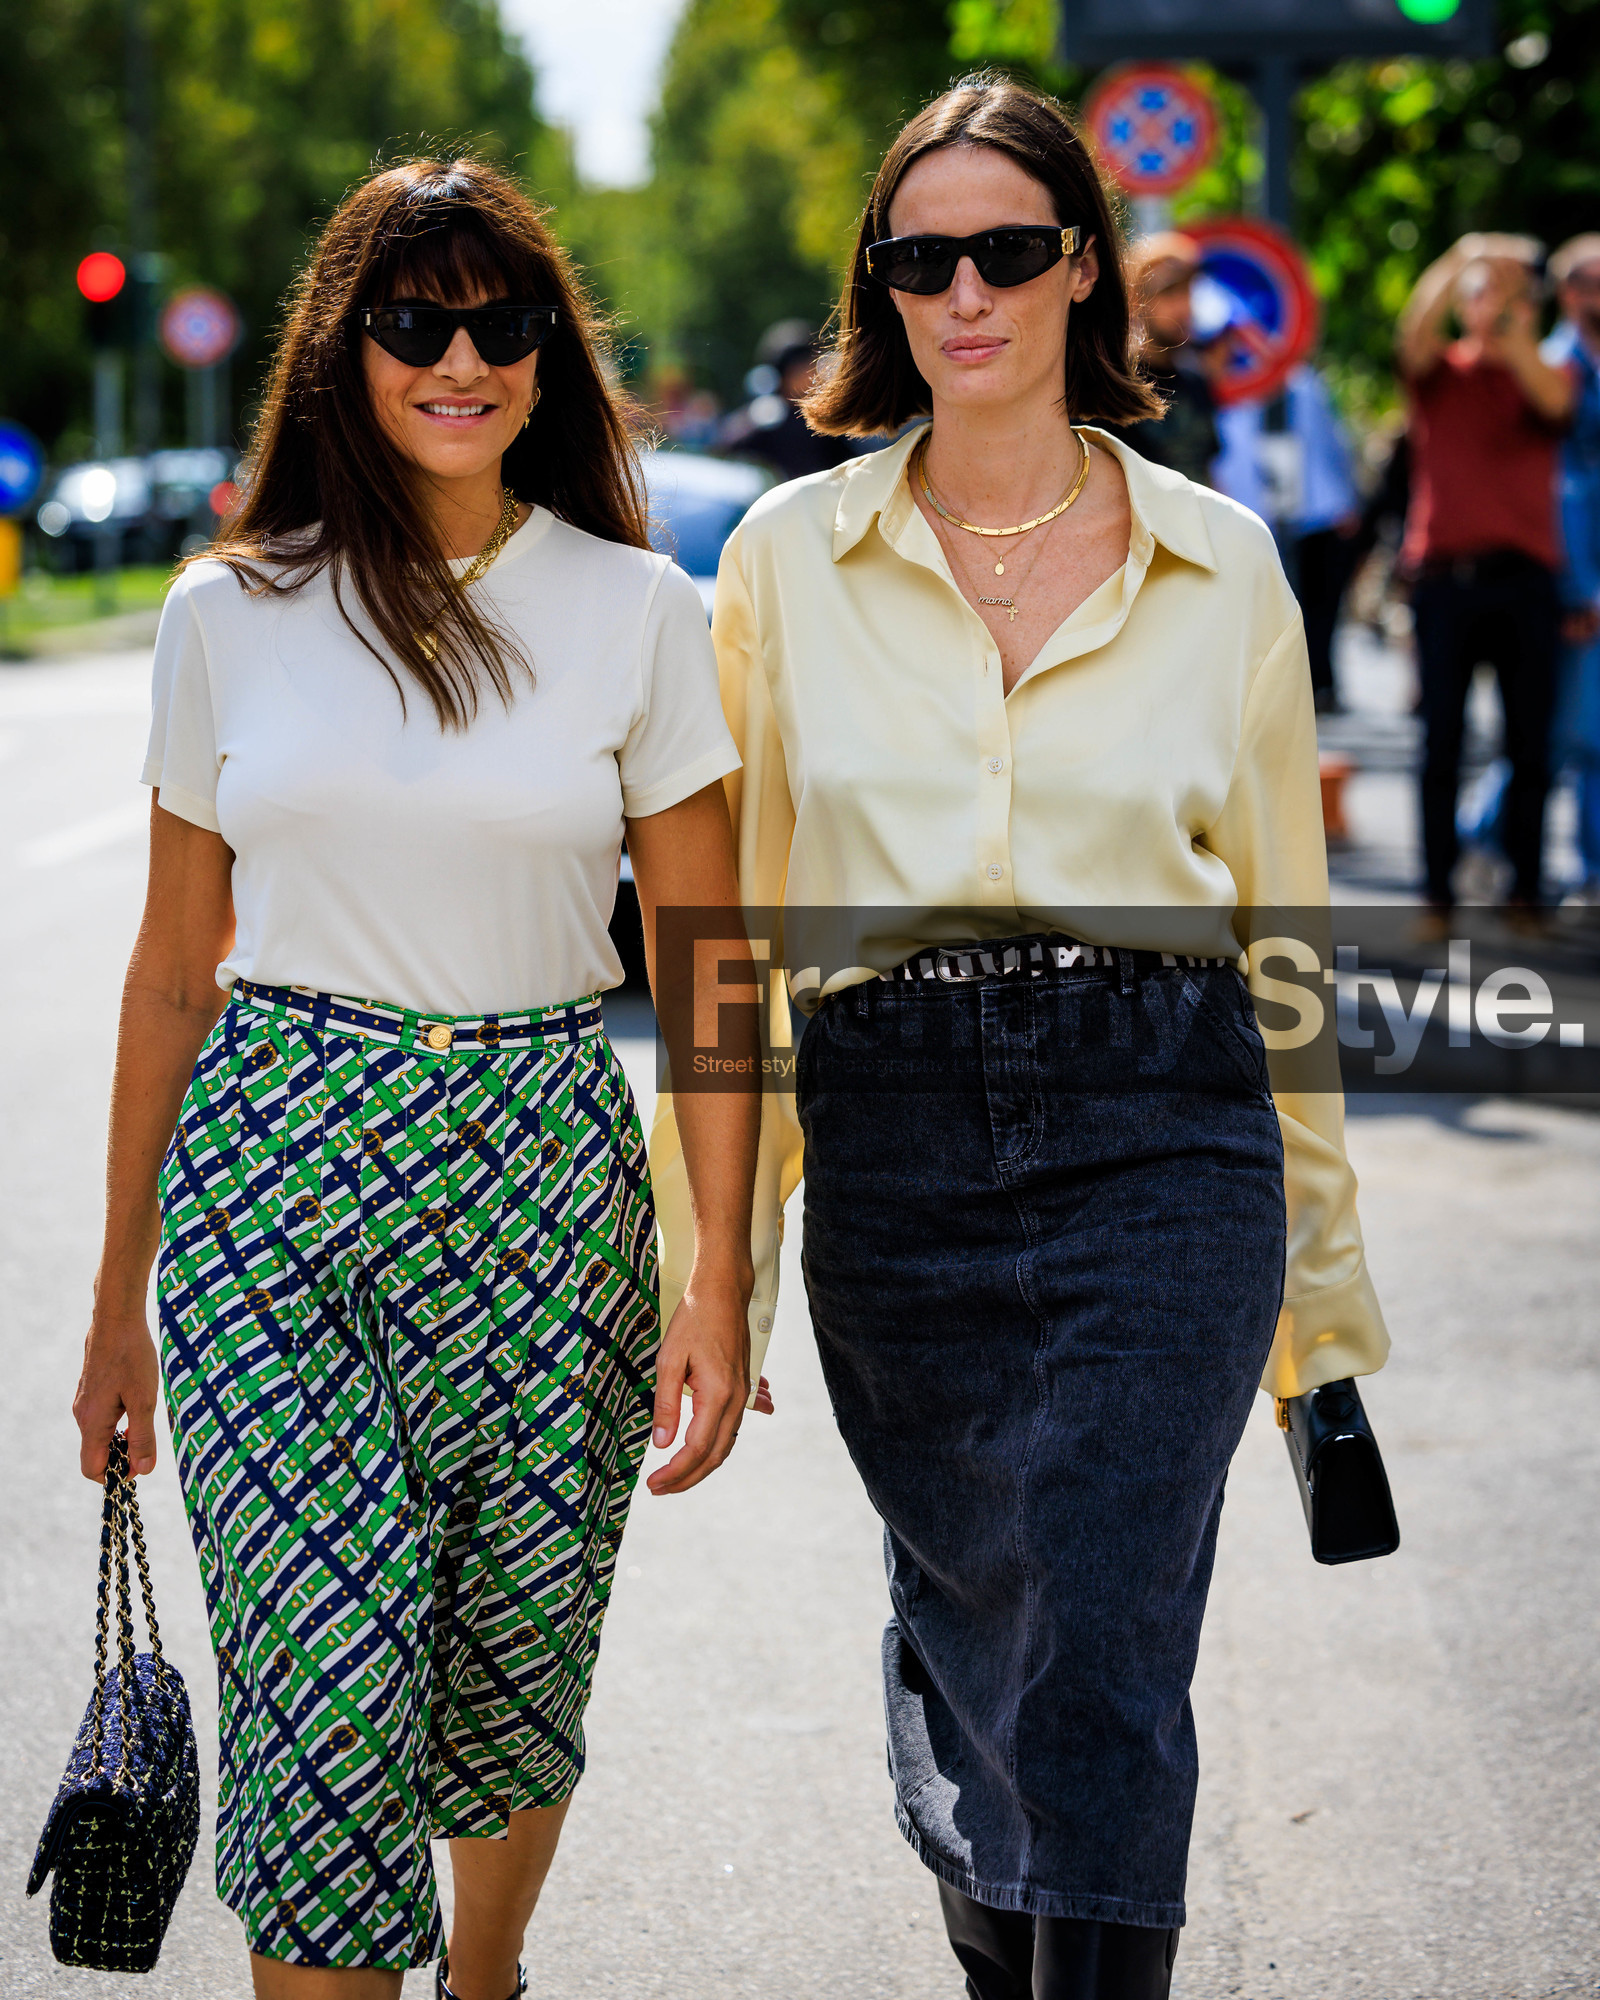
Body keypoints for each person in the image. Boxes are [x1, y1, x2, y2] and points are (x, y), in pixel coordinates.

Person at [651, 76, 1387, 2000]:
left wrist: (1321, 1302)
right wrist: (711, 1263)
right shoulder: (786, 566)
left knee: (1105, 1616)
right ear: (878, 292)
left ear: (1082, 268)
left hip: (1170, 1127)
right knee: (980, 1611)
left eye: (1005, 250)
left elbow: (1284, 945)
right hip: (896, 1144)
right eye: (919, 258)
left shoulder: (1223, 561)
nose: (963, 292)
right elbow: (738, 938)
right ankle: (1005, 1939)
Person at [70, 156, 762, 2000]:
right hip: (273, 1180)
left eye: (501, 321)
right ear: (344, 351)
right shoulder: (223, 613)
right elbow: (165, 973)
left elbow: (708, 968)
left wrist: (723, 1273)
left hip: (545, 1173)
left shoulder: (637, 610)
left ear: (548, 355)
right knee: (319, 1691)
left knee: (511, 1670)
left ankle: (486, 1978)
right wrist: (115, 1299)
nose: (461, 356)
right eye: (414, 321)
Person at [1395, 234, 1575, 916]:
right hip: (1445, 582)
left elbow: (1555, 405)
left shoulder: (1543, 373)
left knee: (1530, 745)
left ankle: (1526, 890)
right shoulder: (1438, 373)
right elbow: (1413, 330)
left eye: (1505, 296)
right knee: (1440, 741)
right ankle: (1435, 891)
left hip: (1526, 582)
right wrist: (1461, 258)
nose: (1490, 305)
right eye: (1479, 296)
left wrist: (1517, 324)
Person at [1543, 234, 1600, 900]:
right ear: (1570, 292)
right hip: (1577, 574)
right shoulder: (1556, 368)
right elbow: (1561, 488)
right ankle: (1486, 832)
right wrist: (1580, 584)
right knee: (1577, 733)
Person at [1103, 231, 1219, 487]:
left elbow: (1208, 470)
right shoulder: (1112, 383)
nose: (1184, 306)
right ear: (1135, 300)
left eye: (1188, 290)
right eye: (1169, 292)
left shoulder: (1196, 381)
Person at [1285, 364, 1363, 713]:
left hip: (1319, 515)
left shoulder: (1305, 384)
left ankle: (1318, 683)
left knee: (1320, 609)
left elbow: (1331, 446)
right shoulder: (1302, 384)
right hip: (1295, 518)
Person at [718, 320, 857, 482]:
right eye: (806, 367)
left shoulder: (826, 416)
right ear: (785, 374)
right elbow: (726, 450)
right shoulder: (767, 417)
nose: (816, 373)